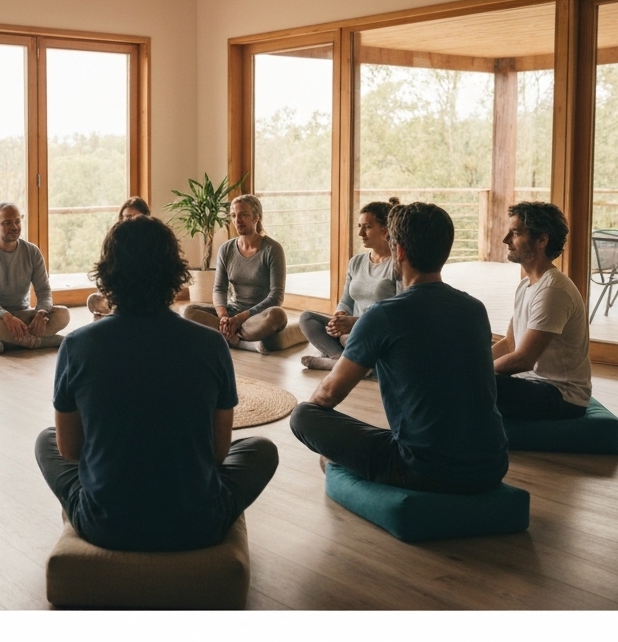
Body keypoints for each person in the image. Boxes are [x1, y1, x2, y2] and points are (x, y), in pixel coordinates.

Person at [36, 215, 278, 551]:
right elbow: (219, 452)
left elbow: (70, 451)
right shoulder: (210, 344)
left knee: (46, 441)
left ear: (108, 274)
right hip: (198, 524)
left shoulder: (77, 345)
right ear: (174, 273)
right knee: (260, 449)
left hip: (105, 525)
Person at [289, 201, 508, 493]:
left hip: (422, 468)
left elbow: (328, 395)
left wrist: (332, 439)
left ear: (399, 251)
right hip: (493, 464)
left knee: (303, 416)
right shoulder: (474, 309)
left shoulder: (383, 315)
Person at [493, 201, 592, 420]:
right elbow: (510, 344)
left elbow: (523, 359)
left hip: (562, 396)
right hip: (534, 385)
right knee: (467, 381)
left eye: (515, 233)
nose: (506, 240)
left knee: (473, 387)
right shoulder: (526, 285)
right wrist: (472, 364)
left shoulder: (553, 289)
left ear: (541, 240)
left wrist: (476, 373)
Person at [300, 198, 400, 370]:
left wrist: (355, 323)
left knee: (354, 337)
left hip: (375, 332)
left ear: (385, 231)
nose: (360, 233)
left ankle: (344, 362)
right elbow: (346, 300)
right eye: (359, 226)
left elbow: (397, 313)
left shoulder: (397, 265)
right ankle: (342, 361)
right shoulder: (356, 262)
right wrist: (339, 317)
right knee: (307, 318)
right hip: (349, 333)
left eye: (367, 227)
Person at [182, 193, 287, 354]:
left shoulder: (272, 249)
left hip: (257, 316)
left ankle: (227, 336)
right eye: (233, 215)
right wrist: (223, 316)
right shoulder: (226, 249)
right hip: (233, 311)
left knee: (277, 315)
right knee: (189, 311)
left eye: (244, 215)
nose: (237, 220)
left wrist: (241, 318)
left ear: (256, 218)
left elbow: (276, 297)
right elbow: (219, 289)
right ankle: (239, 340)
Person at [0, 201, 70, 354]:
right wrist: (6, 316)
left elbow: (44, 291)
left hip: (23, 315)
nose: (14, 227)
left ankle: (4, 340)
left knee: (63, 314)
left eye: (17, 221)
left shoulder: (32, 251)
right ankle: (36, 342)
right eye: (7, 223)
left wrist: (42, 313)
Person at [86, 197, 151, 319]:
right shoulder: (114, 241)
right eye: (127, 217)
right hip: (120, 293)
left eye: (134, 217)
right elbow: (106, 271)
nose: (129, 221)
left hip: (146, 293)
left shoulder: (154, 241)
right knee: (94, 301)